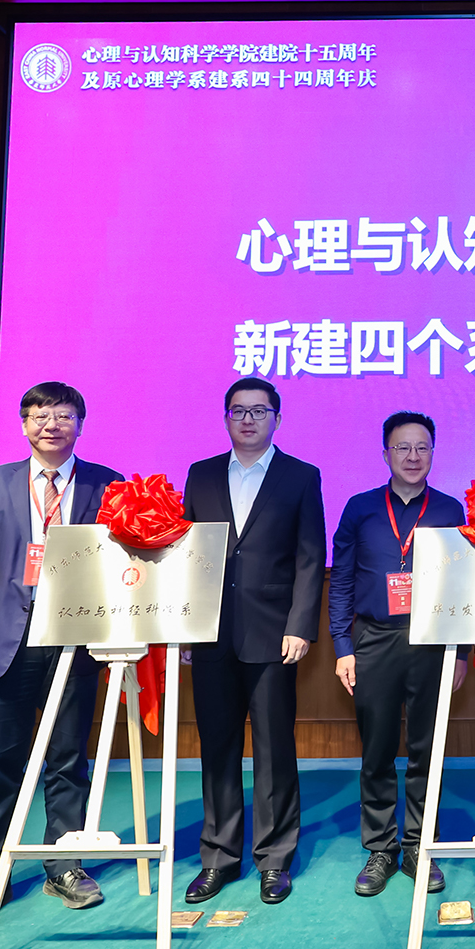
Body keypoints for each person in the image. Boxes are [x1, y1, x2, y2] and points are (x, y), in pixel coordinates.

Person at [0, 381, 123, 929]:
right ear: (24, 425)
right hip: (5, 641)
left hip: (76, 640)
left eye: (63, 416)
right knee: (1, 764)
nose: (51, 425)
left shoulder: (107, 483)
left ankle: (63, 866)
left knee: (68, 760)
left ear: (80, 425)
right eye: (40, 415)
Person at [181, 378, 325, 906]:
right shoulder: (200, 474)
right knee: (217, 747)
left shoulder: (301, 475)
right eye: (238, 411)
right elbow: (187, 554)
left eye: (259, 411)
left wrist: (300, 625)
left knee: (273, 747)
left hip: (273, 632)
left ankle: (274, 858)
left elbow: (310, 556)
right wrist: (186, 624)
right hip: (212, 633)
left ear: (277, 420)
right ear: (225, 418)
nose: (248, 420)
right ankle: (218, 856)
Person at [329, 411, 468, 898]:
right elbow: (341, 580)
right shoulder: (360, 508)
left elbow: (462, 585)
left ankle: (420, 845)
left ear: (433, 453)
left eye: (422, 447)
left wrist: (462, 653)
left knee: (427, 749)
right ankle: (381, 849)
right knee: (378, 750)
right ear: (385, 453)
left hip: (432, 640)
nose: (413, 456)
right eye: (402, 447)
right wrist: (343, 647)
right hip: (374, 640)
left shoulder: (449, 510)